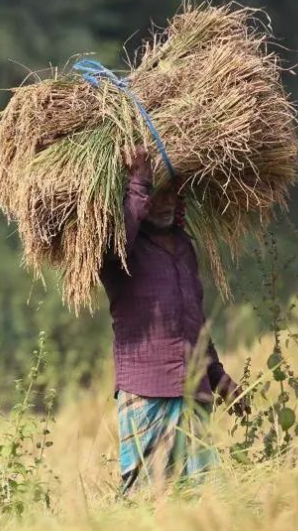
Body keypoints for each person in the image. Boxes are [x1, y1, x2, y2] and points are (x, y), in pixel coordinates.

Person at [100, 147, 247, 494]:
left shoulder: (184, 247)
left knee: (203, 496)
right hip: (146, 390)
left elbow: (193, 321)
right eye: (157, 192)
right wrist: (139, 182)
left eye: (173, 191)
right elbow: (114, 245)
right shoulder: (121, 252)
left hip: (194, 393)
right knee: (143, 499)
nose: (164, 201)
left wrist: (219, 377)